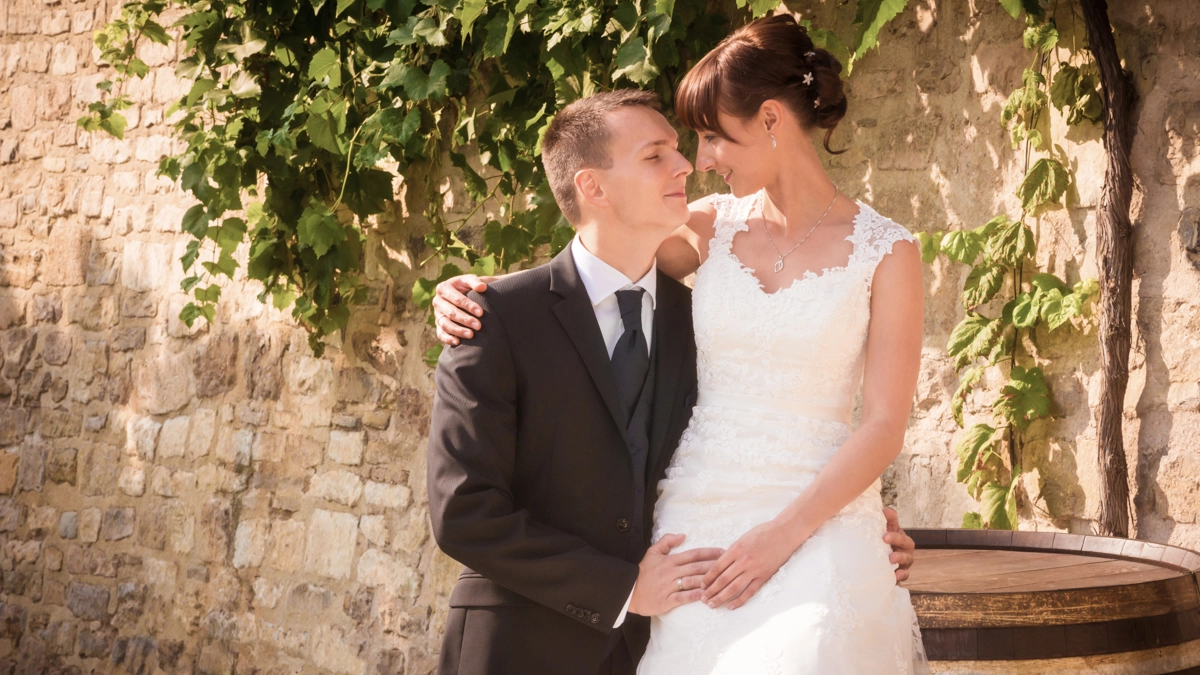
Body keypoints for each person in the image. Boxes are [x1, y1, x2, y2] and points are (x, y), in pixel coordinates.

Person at [429, 17, 922, 673]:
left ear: (770, 120)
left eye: (712, 136)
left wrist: (827, 524)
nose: (699, 161)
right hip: (693, 525)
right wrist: (470, 292)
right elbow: (593, 265)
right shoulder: (708, 229)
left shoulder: (888, 251)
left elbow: (885, 423)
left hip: (812, 519)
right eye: (677, 147)